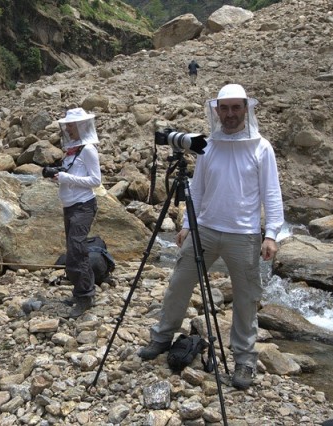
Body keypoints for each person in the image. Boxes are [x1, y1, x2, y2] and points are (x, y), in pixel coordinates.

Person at [137, 84, 284, 390]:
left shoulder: (261, 148)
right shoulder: (208, 146)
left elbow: (272, 193)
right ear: (216, 110)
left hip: (243, 235)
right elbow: (197, 189)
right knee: (178, 283)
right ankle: (162, 337)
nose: (230, 114)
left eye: (236, 108)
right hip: (204, 229)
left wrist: (271, 234)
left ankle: (244, 359)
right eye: (224, 108)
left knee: (246, 299)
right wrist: (189, 224)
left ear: (246, 109)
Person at [47, 108, 102, 319]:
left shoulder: (88, 150)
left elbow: (96, 181)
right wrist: (59, 176)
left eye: (70, 125)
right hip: (70, 206)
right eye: (67, 125)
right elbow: (73, 176)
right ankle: (81, 291)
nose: (68, 129)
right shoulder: (73, 150)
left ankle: (85, 297)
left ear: (80, 126)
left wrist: (65, 179)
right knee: (73, 250)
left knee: (77, 250)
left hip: (83, 206)